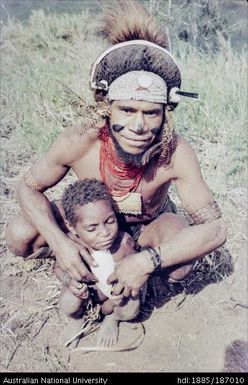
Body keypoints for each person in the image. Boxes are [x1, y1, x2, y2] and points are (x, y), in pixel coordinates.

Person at [6, 0, 226, 300]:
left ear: (165, 115)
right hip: (90, 223)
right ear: (107, 109)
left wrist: (148, 260)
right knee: (20, 236)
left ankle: (137, 272)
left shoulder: (175, 152)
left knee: (181, 266)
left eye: (151, 113)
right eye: (127, 110)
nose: (139, 125)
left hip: (149, 228)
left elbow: (215, 229)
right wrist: (61, 242)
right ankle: (81, 264)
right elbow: (27, 188)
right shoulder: (81, 139)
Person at [54, 178, 140, 348]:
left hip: (116, 298)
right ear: (71, 227)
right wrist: (69, 281)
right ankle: (77, 319)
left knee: (132, 308)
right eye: (92, 228)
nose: (105, 233)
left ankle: (113, 319)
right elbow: (57, 268)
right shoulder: (71, 246)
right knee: (68, 301)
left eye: (110, 221)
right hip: (88, 295)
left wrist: (126, 290)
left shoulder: (124, 243)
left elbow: (137, 271)